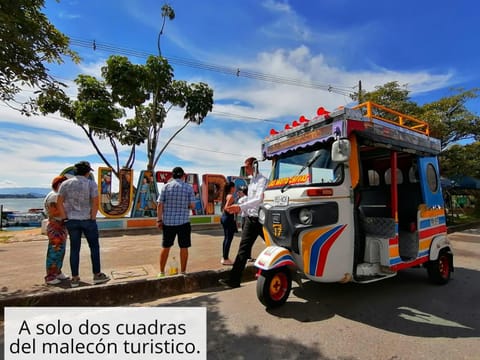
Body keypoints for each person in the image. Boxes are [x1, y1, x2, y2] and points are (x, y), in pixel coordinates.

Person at [57, 161, 110, 288]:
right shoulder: (91, 184)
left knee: (75, 249)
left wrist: (65, 218)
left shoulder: (65, 184)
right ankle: (97, 275)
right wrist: (92, 218)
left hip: (72, 220)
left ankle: (75, 278)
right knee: (94, 247)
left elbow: (59, 202)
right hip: (87, 219)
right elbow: (96, 203)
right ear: (87, 172)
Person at [219, 157, 267, 288]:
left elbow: (258, 199)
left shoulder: (262, 180)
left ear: (255, 166)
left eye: (247, 166)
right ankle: (234, 280)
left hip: (261, 220)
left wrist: (240, 207)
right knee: (243, 250)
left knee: (274, 245)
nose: (245, 169)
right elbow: (249, 200)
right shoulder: (251, 182)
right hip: (251, 220)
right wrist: (242, 211)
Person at [156, 166, 196, 276]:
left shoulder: (166, 187)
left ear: (172, 176)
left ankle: (161, 272)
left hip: (168, 223)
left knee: (166, 247)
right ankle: (183, 271)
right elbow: (192, 205)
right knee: (184, 247)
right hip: (183, 222)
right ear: (183, 176)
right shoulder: (188, 188)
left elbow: (160, 205)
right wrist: (185, 205)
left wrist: (159, 220)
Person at [43, 175, 69, 285]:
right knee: (54, 251)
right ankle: (50, 275)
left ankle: (57, 271)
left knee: (60, 251)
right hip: (56, 226)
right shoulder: (54, 196)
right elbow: (55, 211)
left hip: (60, 226)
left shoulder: (55, 195)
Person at [220, 181, 237, 265]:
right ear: (232, 188)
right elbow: (226, 208)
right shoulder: (230, 196)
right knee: (228, 239)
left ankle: (224, 257)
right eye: (234, 187)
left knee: (226, 238)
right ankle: (225, 258)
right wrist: (234, 209)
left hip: (224, 218)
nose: (235, 188)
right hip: (228, 218)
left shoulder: (226, 195)